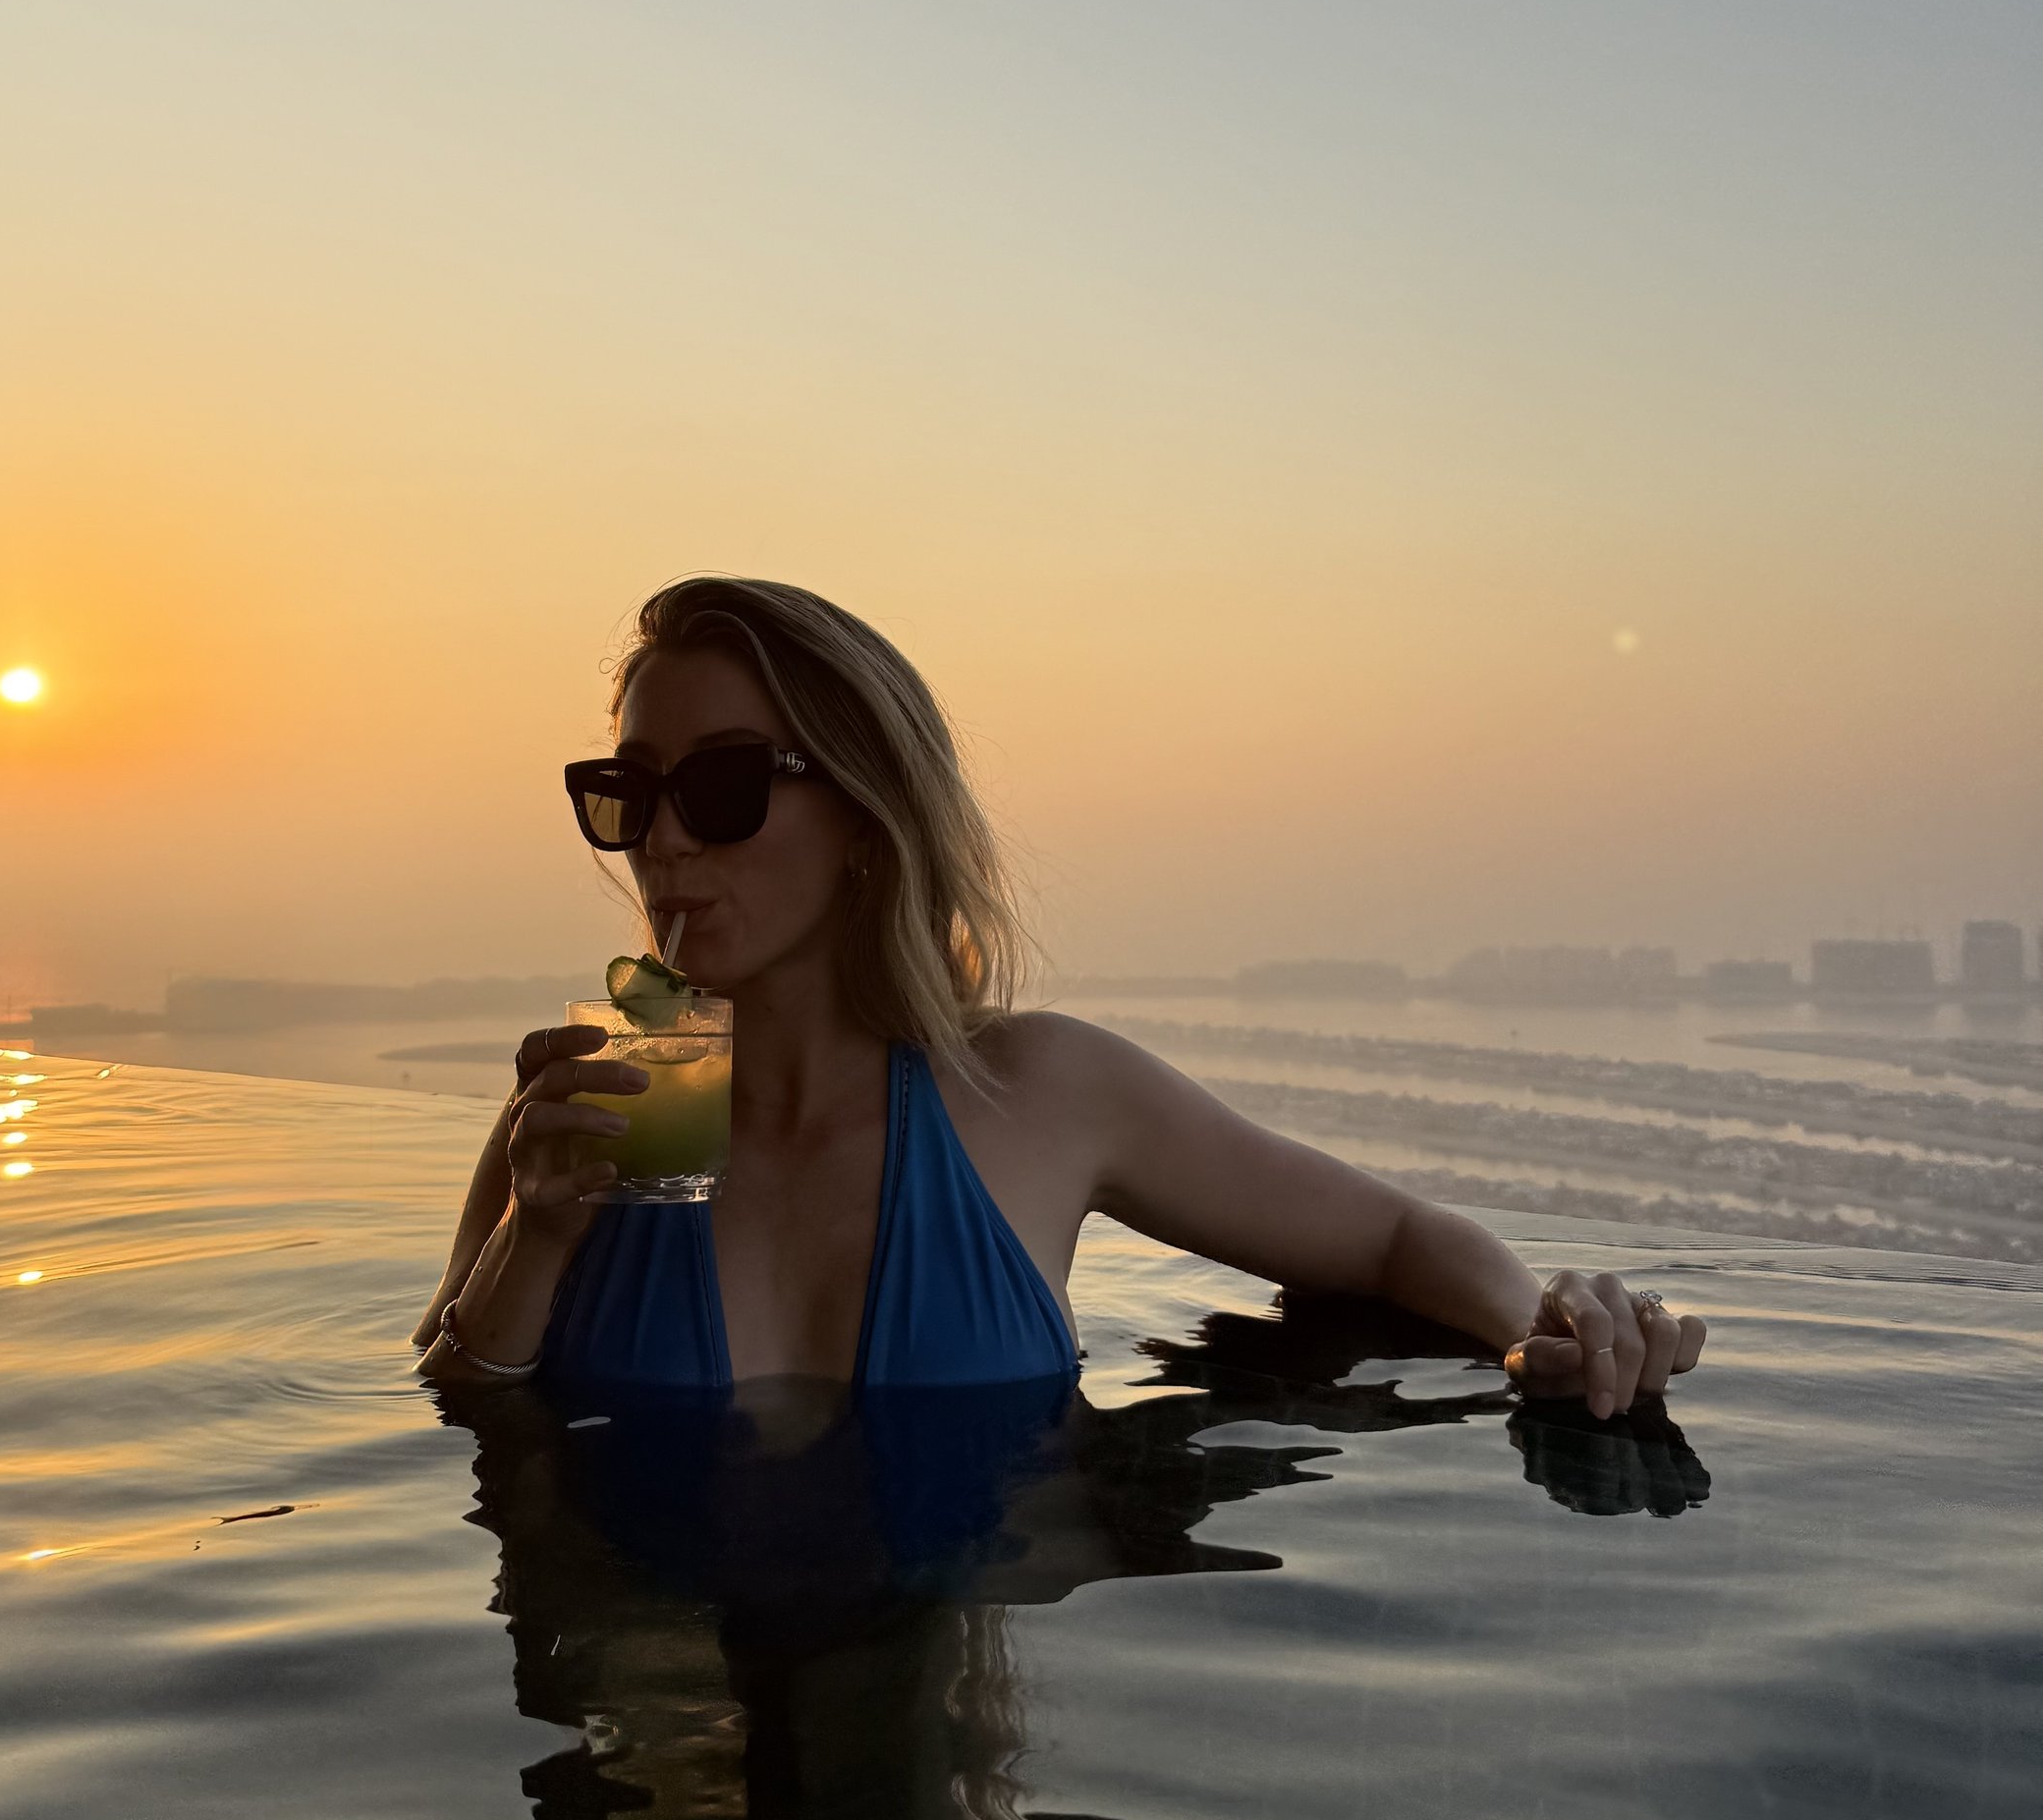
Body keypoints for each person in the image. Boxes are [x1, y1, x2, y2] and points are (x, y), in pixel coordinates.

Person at [414, 575, 1706, 1413]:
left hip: (925, 1749)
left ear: (867, 814)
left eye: (723, 788)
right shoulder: (589, 1112)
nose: (664, 843)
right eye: (629, 794)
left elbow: (1390, 1238)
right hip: (650, 1757)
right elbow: (456, 1393)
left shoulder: (1038, 1092)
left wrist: (1542, 1336)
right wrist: (539, 1232)